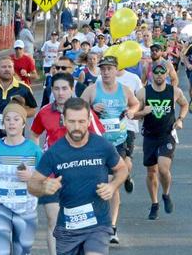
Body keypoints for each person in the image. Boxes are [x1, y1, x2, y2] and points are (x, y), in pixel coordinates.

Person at [28, 98, 128, 255]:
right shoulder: (54, 152)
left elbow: (122, 169)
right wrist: (43, 187)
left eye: (81, 121)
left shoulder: (102, 145)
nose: (77, 127)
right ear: (63, 121)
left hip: (98, 224)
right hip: (68, 229)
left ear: (89, 120)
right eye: (72, 121)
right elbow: (32, 184)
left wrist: (112, 186)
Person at [30, 74, 105, 255]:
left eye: (65, 89)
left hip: (80, 175)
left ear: (72, 89)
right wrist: (40, 158)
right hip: (52, 176)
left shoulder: (85, 112)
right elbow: (34, 134)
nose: (60, 93)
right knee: (53, 221)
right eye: (56, 89)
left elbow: (99, 139)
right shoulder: (45, 112)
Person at [80, 56, 139, 245]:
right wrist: (90, 108)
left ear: (116, 70)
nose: (105, 72)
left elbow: (135, 103)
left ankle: (112, 227)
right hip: (96, 144)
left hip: (118, 142)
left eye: (109, 69)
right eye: (103, 69)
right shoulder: (92, 90)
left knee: (112, 184)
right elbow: (77, 108)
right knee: (98, 184)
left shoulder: (124, 90)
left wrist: (131, 112)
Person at [135, 60, 188, 220]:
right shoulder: (143, 93)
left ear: (167, 74)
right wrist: (143, 112)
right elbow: (132, 113)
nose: (159, 75)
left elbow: (184, 105)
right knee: (151, 172)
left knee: (163, 169)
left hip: (167, 134)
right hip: (150, 136)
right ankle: (154, 203)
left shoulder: (174, 91)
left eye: (162, 72)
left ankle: (166, 194)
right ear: (151, 75)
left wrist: (180, 119)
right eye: (156, 72)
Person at [0, 104, 41, 255]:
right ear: (3, 123)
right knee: (0, 250)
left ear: (23, 123)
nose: (11, 123)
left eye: (16, 119)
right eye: (8, 119)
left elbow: (43, 179)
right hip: (0, 206)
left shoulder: (34, 150)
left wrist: (31, 176)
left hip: (26, 207)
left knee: (22, 251)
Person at [0, 57, 38, 135]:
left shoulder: (24, 88)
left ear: (13, 70)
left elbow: (33, 110)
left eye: (10, 67)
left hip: (16, 135)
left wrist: (18, 114)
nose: (7, 69)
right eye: (3, 67)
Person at [115, 67, 142, 195]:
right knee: (112, 161)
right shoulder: (101, 79)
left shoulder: (133, 78)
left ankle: (125, 177)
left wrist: (134, 111)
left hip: (128, 125)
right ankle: (115, 189)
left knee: (126, 159)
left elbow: (140, 100)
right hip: (108, 127)